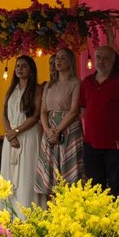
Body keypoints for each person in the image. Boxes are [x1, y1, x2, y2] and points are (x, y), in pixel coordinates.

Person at [79, 46, 119, 197]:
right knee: (95, 187)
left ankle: (118, 220)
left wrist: (117, 127)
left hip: (114, 145)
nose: (101, 61)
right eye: (98, 57)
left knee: (116, 185)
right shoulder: (87, 82)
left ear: (113, 60)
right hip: (91, 144)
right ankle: (99, 220)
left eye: (106, 58)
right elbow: (82, 110)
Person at [35, 48, 83, 199]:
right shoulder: (49, 85)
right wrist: (48, 131)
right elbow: (43, 111)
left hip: (68, 129)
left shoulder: (76, 83)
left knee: (69, 174)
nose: (58, 61)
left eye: (63, 58)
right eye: (57, 58)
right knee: (52, 174)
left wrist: (57, 130)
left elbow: (74, 110)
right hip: (50, 129)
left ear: (70, 61)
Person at [0, 55, 43, 213]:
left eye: (24, 66)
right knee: (9, 175)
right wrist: (10, 134)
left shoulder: (37, 89)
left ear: (31, 70)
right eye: (17, 66)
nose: (19, 69)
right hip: (10, 138)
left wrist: (17, 132)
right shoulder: (10, 90)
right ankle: (8, 214)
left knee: (26, 175)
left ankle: (26, 214)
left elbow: (35, 115)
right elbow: (3, 114)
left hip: (28, 135)